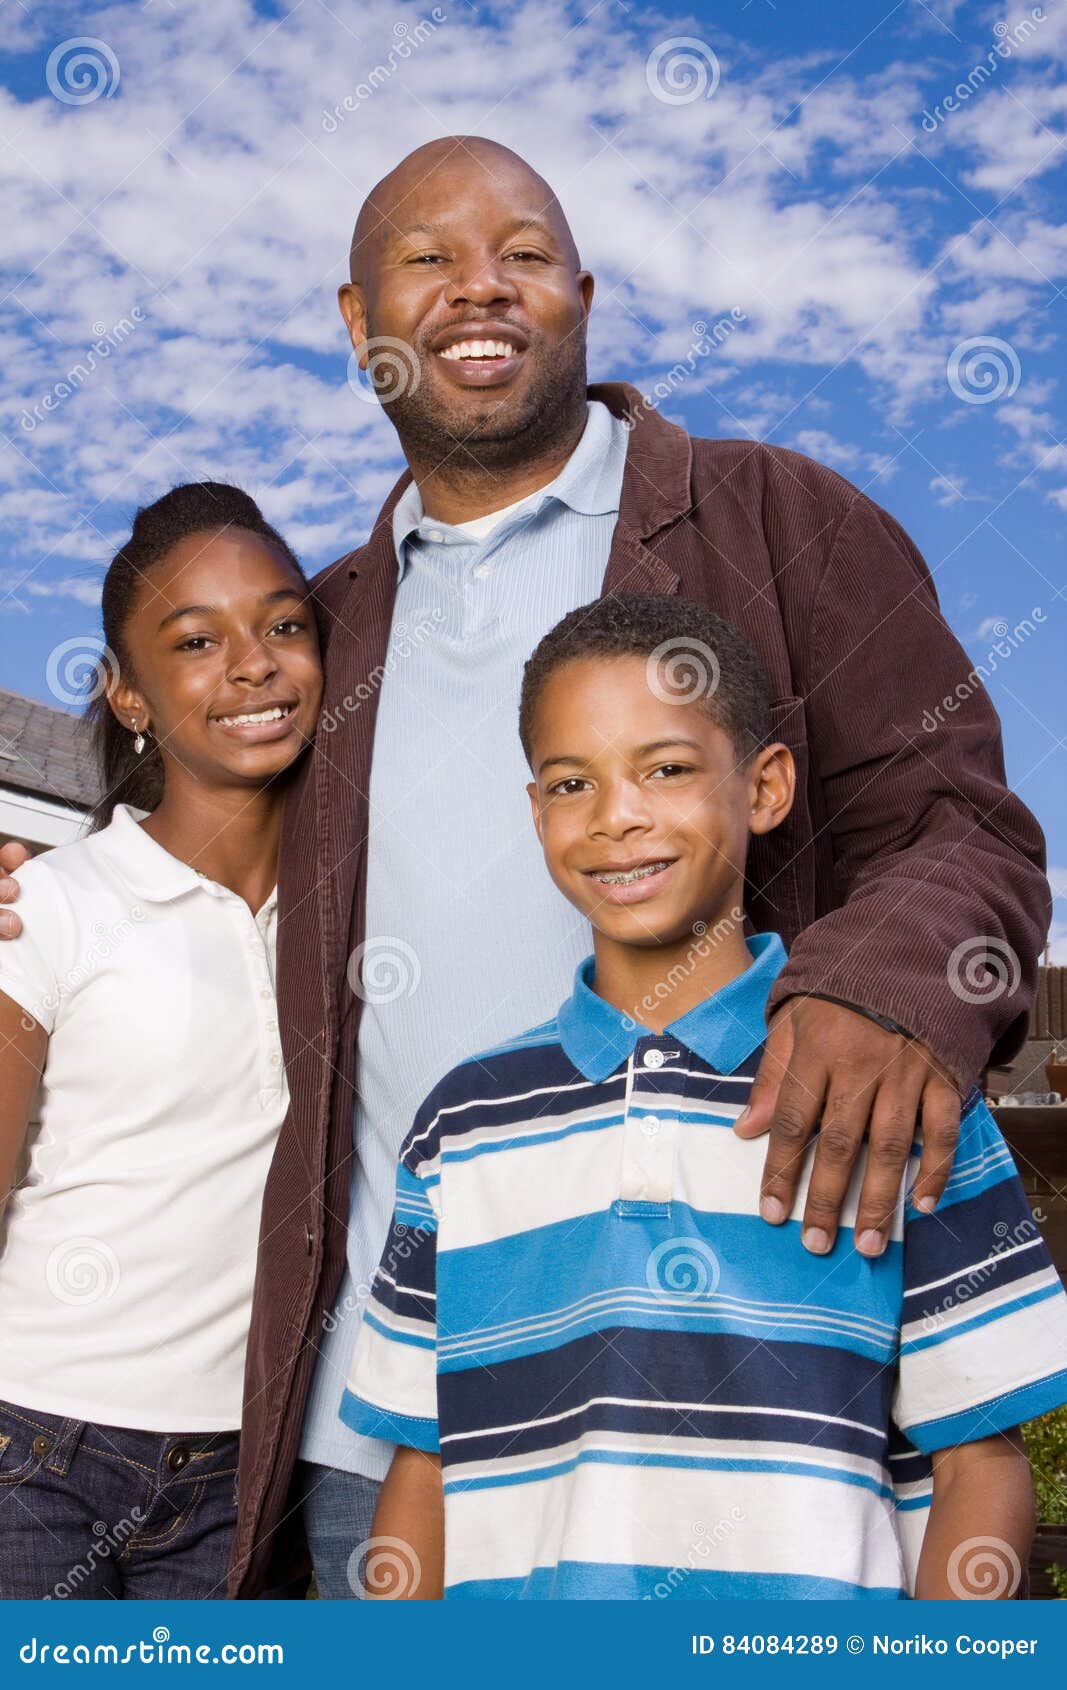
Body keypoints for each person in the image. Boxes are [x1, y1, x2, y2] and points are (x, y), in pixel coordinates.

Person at [0, 137, 1050, 1598]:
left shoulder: (776, 519)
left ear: (583, 295)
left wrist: (878, 989)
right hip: (389, 1423)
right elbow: (190, 830)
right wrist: (38, 877)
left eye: (522, 253)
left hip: (732, 1395)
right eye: (424, 260)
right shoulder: (330, 626)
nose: (475, 286)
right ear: (358, 323)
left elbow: (966, 828)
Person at [343, 593, 1067, 1601]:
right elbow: (422, 1464)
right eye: (569, 782)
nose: (616, 816)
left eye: (667, 768)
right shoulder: (461, 1122)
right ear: (534, 809)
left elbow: (976, 1471)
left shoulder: (892, 1092)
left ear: (764, 786)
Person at [0, 483, 322, 1598]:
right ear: (129, 695)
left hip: (247, 1464)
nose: (253, 664)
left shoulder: (351, 917)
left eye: (283, 625)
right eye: (195, 642)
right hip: (32, 1453)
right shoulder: (48, 905)